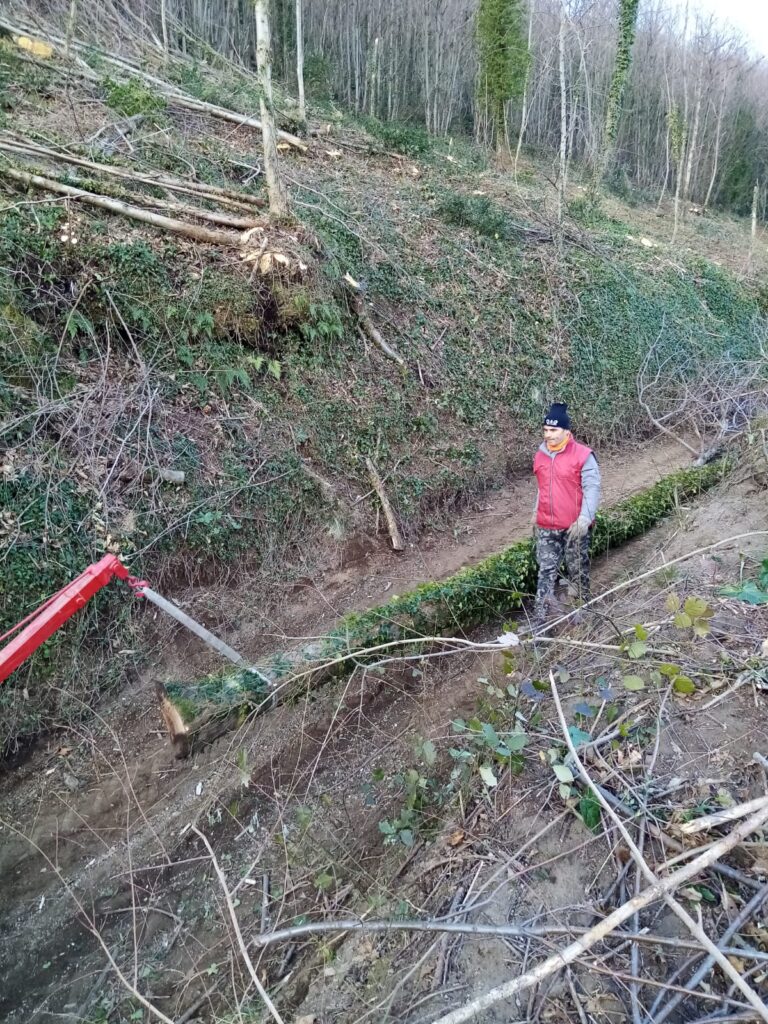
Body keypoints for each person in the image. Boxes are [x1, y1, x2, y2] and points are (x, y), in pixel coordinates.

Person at [531, 403, 601, 623]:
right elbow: (542, 488)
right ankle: (540, 621)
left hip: (574, 527)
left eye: (553, 430)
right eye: (545, 430)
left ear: (566, 432)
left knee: (578, 571)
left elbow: (592, 488)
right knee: (545, 573)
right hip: (546, 527)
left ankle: (585, 613)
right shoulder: (540, 455)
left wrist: (584, 518)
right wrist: (535, 513)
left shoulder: (583, 455)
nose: (548, 435)